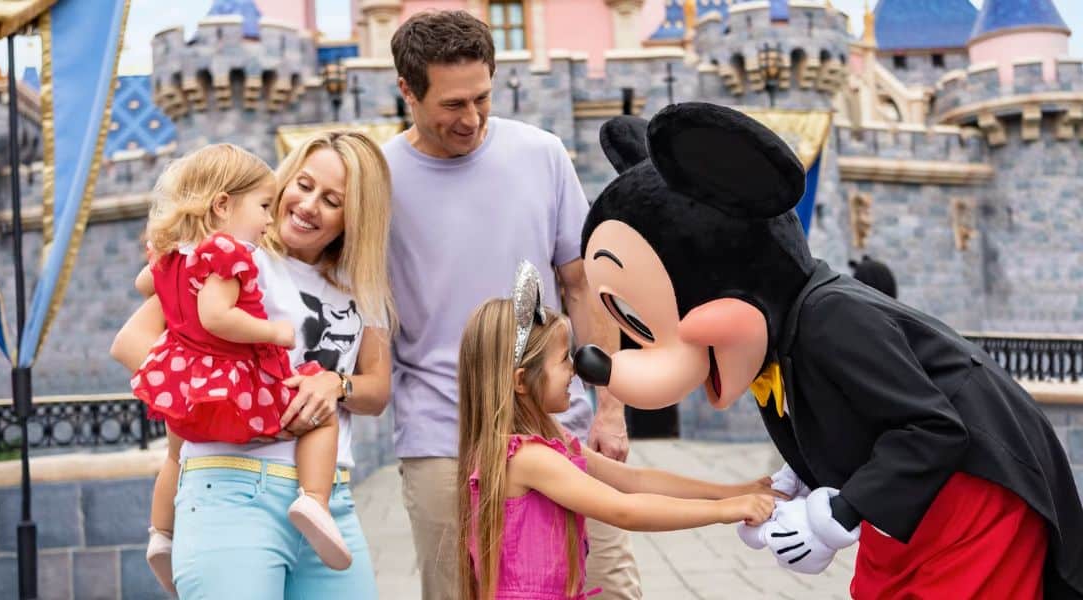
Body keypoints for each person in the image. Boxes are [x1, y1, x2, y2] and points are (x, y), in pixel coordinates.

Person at [383, 10, 639, 599]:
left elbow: (585, 287)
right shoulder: (379, 179)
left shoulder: (543, 154)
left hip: (557, 423)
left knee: (608, 588)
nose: (471, 119)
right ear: (407, 90)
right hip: (441, 435)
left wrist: (610, 408)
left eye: (482, 98)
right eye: (452, 105)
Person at [110, 132, 395, 599]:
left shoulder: (362, 285)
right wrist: (230, 401)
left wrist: (335, 384)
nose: (307, 205)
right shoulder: (237, 254)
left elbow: (377, 391)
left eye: (332, 200)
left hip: (328, 501)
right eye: (302, 185)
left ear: (356, 216)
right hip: (232, 489)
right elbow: (132, 342)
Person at [457, 264, 779, 600]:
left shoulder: (549, 444)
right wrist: (724, 512)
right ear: (521, 381)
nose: (576, 367)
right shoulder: (528, 458)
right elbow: (624, 509)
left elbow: (634, 480)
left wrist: (731, 492)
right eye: (563, 359)